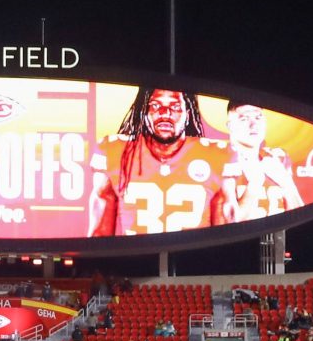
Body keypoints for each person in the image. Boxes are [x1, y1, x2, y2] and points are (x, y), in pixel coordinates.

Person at [89, 88, 231, 237]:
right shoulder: (115, 151)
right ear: (143, 112)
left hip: (194, 259)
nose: (165, 113)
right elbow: (99, 234)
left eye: (175, 107)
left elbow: (226, 239)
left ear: (188, 113)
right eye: (155, 105)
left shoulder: (217, 155)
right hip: (135, 258)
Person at [215, 102, 304, 223]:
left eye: (258, 117)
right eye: (244, 119)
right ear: (230, 125)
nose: (253, 125)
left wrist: (287, 183)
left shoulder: (277, 158)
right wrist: (255, 184)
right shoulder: (218, 160)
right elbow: (225, 227)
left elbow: (300, 219)